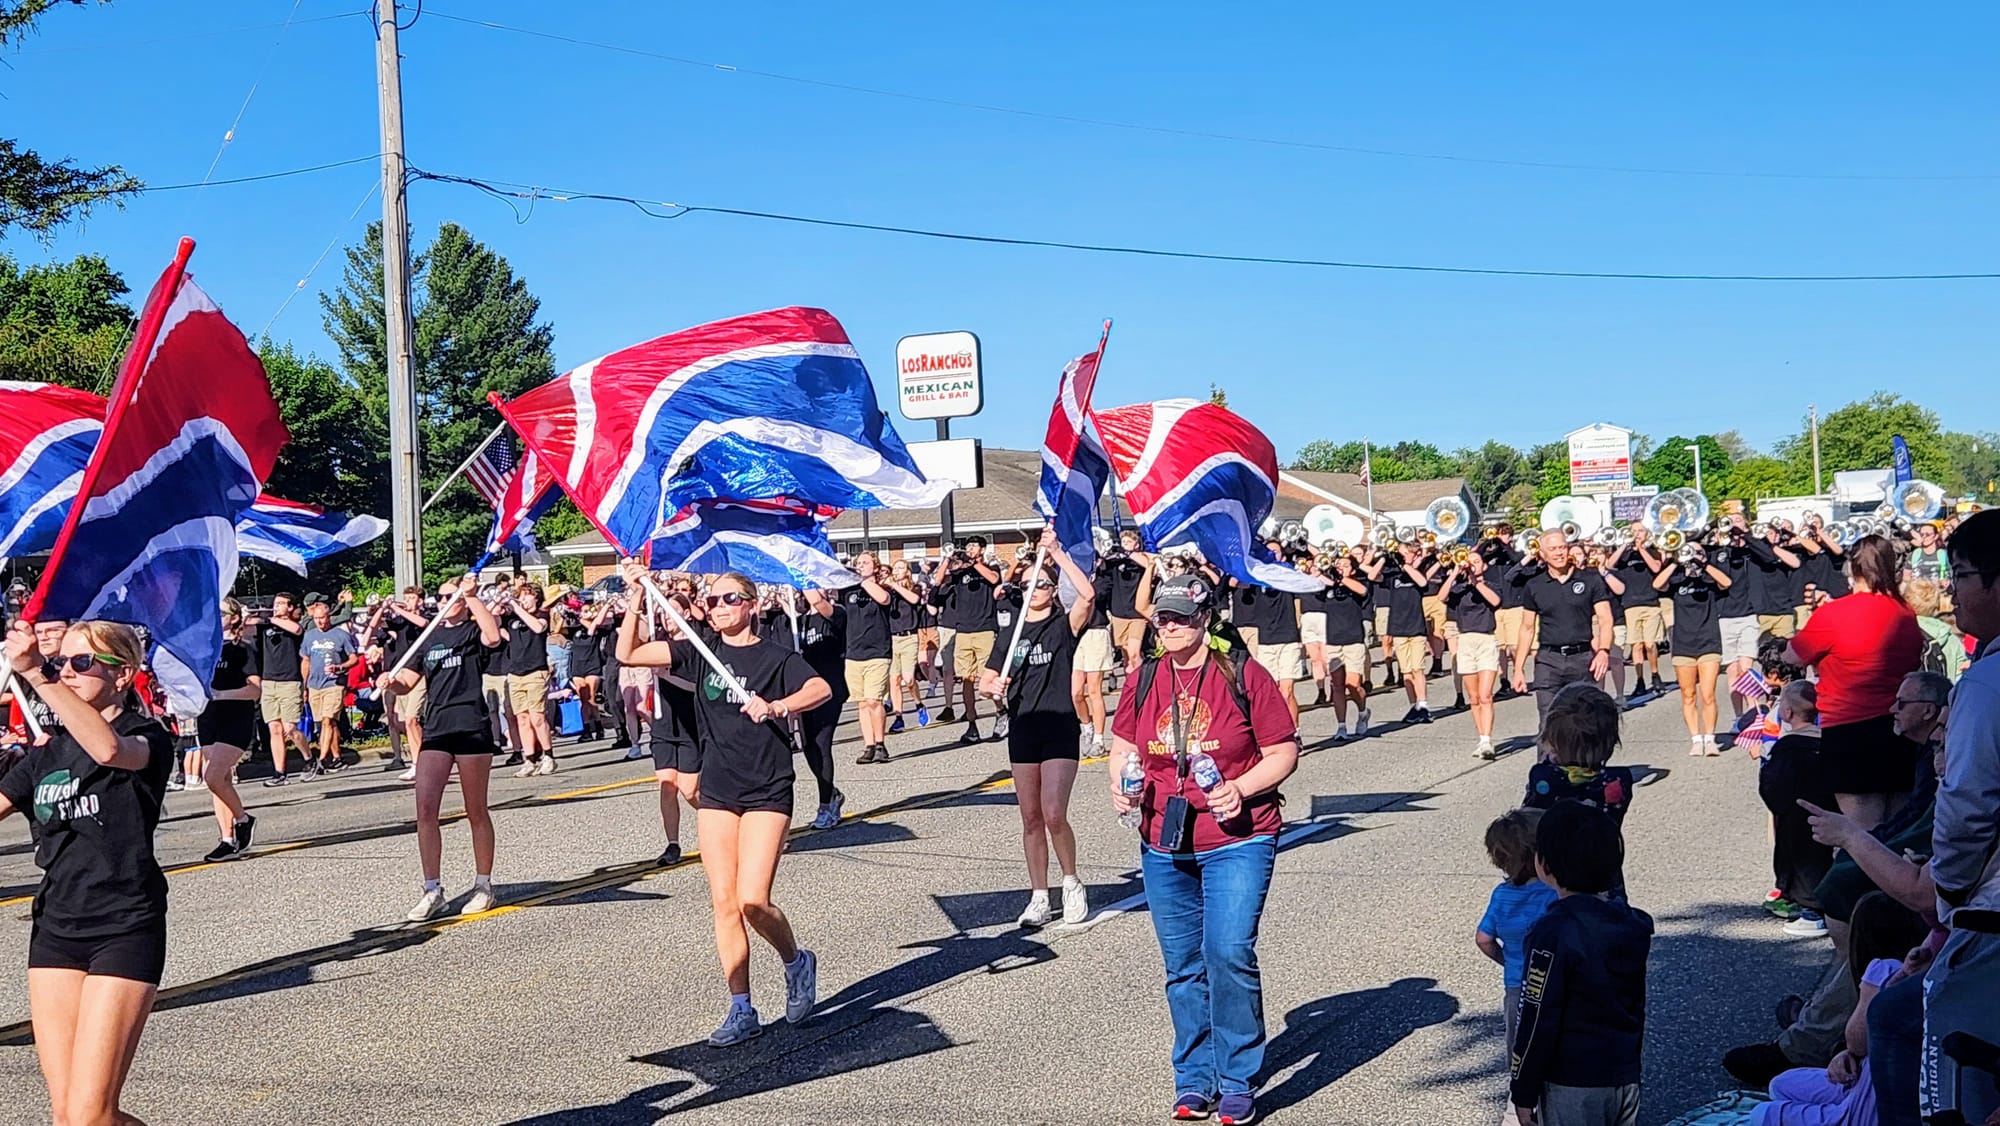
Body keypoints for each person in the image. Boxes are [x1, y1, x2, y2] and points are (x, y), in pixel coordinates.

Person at [1107, 572, 1300, 1126]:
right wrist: (1121, 786)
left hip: (1238, 836)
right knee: (1182, 966)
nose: (1167, 626)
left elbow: (1283, 750)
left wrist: (1241, 788)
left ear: (1205, 619)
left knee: (1228, 952)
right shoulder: (1143, 678)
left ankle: (1237, 1078)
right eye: (1161, 617)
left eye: (1179, 617)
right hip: (1163, 839)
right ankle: (1195, 1080)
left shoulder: (1241, 674)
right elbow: (1124, 744)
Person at [616, 561, 830, 1048]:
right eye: (712, 600)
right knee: (724, 900)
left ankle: (796, 962)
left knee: (754, 899)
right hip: (718, 788)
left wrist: (778, 706)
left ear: (751, 606)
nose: (718, 606)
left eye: (730, 598)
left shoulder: (776, 657)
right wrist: (635, 595)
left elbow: (820, 688)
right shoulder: (699, 652)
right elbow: (627, 652)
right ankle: (741, 1006)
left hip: (767, 788)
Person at [0, 618, 177, 1126]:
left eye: (82, 663)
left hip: (123, 925)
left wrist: (37, 672)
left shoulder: (146, 736)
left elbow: (108, 750)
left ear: (123, 676)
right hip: (56, 927)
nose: (69, 673)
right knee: (68, 1118)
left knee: (91, 1116)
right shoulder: (46, 753)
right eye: (63, 663)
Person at [979, 530, 1097, 928]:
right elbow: (987, 678)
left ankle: (1071, 882)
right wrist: (991, 686)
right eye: (1029, 584)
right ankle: (1039, 895)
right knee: (1030, 816)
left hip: (1059, 724)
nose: (1036, 588)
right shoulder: (1010, 636)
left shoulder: (1063, 627)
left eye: (1042, 583)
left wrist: (1057, 554)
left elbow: (1088, 596)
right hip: (1023, 726)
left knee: (1052, 811)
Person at [1509, 800, 1653, 1126]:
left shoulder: (1552, 933)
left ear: (1543, 865)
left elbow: (1537, 1015)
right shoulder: (1632, 924)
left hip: (1571, 1080)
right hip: (1624, 1073)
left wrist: (1523, 1089)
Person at [1928, 507, 2000, 1124]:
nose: (1953, 592)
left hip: (1992, 912)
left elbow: (1967, 806)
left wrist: (1947, 887)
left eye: (1962, 576)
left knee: (1957, 1067)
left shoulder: (1986, 683)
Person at [383, 575, 507, 922]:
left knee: (475, 809)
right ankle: (432, 888)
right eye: (441, 596)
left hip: (470, 725)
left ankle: (483, 884)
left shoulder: (471, 630)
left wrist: (473, 598)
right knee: (425, 808)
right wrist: (392, 681)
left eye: (450, 596)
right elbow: (409, 682)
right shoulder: (429, 636)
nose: (444, 601)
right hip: (436, 727)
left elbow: (494, 637)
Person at [1750, 891, 1931, 1126]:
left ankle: (1834, 1111)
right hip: (1875, 1085)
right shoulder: (1928, 969)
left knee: (1762, 1113)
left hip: (1866, 1111)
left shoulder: (1884, 970)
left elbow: (1857, 1040)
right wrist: (1845, 1056)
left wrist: (1868, 991)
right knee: (1781, 1083)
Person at [1785, 535, 1925, 831]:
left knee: (1859, 832)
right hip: (1898, 726)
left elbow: (1793, 656)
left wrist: (1817, 617)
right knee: (1898, 828)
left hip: (1849, 728)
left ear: (1852, 568)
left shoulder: (1834, 613)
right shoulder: (1905, 612)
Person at [616, 591, 702, 867]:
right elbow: (629, 646)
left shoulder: (695, 646)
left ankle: (723, 818)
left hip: (690, 724)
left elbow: (700, 688)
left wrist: (669, 677)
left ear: (687, 614)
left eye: (673, 610)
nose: (667, 616)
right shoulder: (658, 644)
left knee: (690, 790)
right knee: (667, 786)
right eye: (664, 611)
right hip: (665, 726)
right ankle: (672, 844)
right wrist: (636, 599)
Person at [1512, 530, 1615, 734]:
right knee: (1548, 722)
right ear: (1542, 554)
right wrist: (1518, 669)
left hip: (1582, 659)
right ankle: (1548, 766)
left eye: (1562, 547)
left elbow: (1605, 619)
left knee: (1584, 722)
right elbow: (1527, 628)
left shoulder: (1590, 580)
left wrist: (1603, 651)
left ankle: (1585, 765)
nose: (1559, 553)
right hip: (1548, 661)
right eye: (1553, 549)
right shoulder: (1534, 585)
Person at [1478, 808, 1558, 1052]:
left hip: (1517, 984)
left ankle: (1519, 1085)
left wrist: (1510, 961)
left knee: (1519, 1046)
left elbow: (1484, 939)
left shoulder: (1501, 895)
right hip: (1555, 981)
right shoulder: (1554, 892)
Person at [1759, 682, 1838, 922]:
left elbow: (1771, 786)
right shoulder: (1827, 743)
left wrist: (1775, 802)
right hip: (1826, 810)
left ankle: (1807, 905)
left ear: (1787, 712)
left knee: (1798, 858)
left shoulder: (1787, 747)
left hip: (1793, 816)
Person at [1654, 541, 1734, 756]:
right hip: (1683, 644)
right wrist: (1674, 561)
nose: (1692, 554)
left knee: (1708, 694)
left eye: (1697, 551)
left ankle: (1710, 738)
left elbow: (1726, 582)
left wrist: (1704, 562)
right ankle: (1696, 739)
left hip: (1708, 641)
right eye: (1689, 550)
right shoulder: (1677, 579)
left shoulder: (1709, 579)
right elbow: (1657, 585)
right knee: (1688, 694)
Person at [199, 599, 263, 861]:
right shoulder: (205, 649)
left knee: (213, 776)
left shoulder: (243, 650)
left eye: (222, 612)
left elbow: (255, 690)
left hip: (234, 717)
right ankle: (227, 839)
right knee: (219, 781)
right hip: (208, 717)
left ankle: (243, 819)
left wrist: (223, 694)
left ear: (235, 618)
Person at [1524, 685, 1635, 828]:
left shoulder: (1543, 776)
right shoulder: (1618, 780)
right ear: (1610, 739)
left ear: (1551, 737)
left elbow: (1527, 822)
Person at [932, 538, 1002, 742]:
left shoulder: (990, 566)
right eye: (968, 546)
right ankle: (972, 723)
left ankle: (1001, 711)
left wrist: (975, 563)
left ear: (982, 549)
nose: (969, 549)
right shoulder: (959, 572)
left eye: (973, 546)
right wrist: (947, 559)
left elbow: (993, 579)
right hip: (962, 630)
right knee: (966, 679)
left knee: (987, 678)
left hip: (985, 629)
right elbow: (938, 581)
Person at [1366, 541, 1439, 725]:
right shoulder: (1394, 575)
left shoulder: (1417, 573)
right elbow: (1373, 575)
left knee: (1417, 668)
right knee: (1406, 671)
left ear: (1414, 555)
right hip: (1398, 627)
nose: (1402, 555)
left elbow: (1422, 582)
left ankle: (1423, 705)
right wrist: (1384, 558)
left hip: (1416, 627)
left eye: (1405, 553)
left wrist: (1406, 564)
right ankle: (1413, 705)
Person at [1442, 549, 1504, 758]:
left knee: (1486, 695)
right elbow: (1442, 596)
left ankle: (1487, 740)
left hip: (1486, 639)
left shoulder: (1491, 585)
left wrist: (1476, 581)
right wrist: (1455, 572)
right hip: (1465, 641)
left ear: (1484, 565)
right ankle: (1480, 738)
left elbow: (1495, 602)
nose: (1473, 564)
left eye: (1477, 561)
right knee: (1474, 697)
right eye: (1470, 561)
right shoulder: (1459, 589)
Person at [797, 587, 850, 829]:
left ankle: (826, 804)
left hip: (830, 689)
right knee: (808, 746)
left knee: (821, 744)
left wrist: (801, 576)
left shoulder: (836, 614)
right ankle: (832, 791)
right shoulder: (797, 620)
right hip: (805, 692)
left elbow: (819, 603)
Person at [840, 553, 895, 764]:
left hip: (878, 652)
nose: (860, 566)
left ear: (875, 566)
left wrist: (864, 579)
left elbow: (884, 599)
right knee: (862, 703)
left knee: (874, 700)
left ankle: (881, 744)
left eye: (865, 563)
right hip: (854, 652)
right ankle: (869, 745)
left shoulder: (882, 588)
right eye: (858, 563)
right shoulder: (849, 590)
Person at [499, 582, 557, 777]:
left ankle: (548, 755)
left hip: (536, 671)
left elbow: (538, 629)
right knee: (522, 718)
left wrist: (516, 606)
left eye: (527, 595)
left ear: (536, 597)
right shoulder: (512, 617)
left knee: (537, 717)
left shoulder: (542, 614)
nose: (523, 599)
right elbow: (492, 620)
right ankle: (529, 758)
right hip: (515, 672)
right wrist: (498, 601)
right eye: (520, 595)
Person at [252, 592, 310, 785]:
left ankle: (309, 758)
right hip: (269, 681)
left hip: (289, 681)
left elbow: (296, 630)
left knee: (290, 728)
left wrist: (271, 618)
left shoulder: (293, 625)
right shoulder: (265, 626)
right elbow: (247, 626)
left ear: (290, 607)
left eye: (281, 604)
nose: (276, 607)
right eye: (275, 604)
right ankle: (279, 772)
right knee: (274, 728)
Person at [300, 594, 358, 776]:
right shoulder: (309, 636)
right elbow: (305, 661)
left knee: (328, 720)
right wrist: (305, 686)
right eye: (316, 619)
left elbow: (354, 658)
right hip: (315, 685)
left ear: (329, 617)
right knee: (324, 723)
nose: (320, 622)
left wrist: (340, 667)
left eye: (322, 618)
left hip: (334, 684)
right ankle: (336, 757)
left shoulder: (341, 635)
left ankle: (322, 759)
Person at [1607, 529, 1666, 695]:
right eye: (1633, 531)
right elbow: (1609, 565)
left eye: (1640, 531)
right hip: (1630, 604)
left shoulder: (1652, 551)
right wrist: (1625, 544)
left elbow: (1656, 568)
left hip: (1650, 603)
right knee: (1636, 645)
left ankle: (1655, 674)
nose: (1636, 534)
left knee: (1650, 643)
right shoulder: (1624, 555)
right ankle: (1640, 680)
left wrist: (1641, 548)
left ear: (1647, 533)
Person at [883, 560, 930, 735]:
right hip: (892, 638)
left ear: (908, 572)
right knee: (894, 680)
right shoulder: (888, 591)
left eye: (901, 568)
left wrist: (895, 585)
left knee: (909, 678)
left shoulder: (914, 587)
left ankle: (919, 703)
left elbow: (914, 599)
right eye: (894, 568)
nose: (897, 571)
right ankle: (898, 716)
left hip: (909, 637)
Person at [1903, 577, 1967, 683]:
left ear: (1906, 602)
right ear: (1936, 605)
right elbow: (1959, 678)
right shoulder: (1952, 640)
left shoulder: (1900, 634)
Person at [1106, 530, 1150, 674]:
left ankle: (1140, 684)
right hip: (1119, 612)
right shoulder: (1115, 560)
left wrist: (1130, 554)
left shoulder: (1141, 559)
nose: (1125, 545)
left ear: (1136, 544)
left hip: (1137, 612)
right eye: (1123, 542)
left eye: (1129, 542)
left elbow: (1149, 564)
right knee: (1126, 656)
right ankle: (1130, 685)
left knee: (1134, 654)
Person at [567, 600, 612, 741]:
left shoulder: (596, 627)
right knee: (583, 698)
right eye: (583, 610)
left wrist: (586, 616)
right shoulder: (575, 628)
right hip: (577, 666)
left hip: (592, 664)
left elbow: (593, 625)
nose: (584, 613)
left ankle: (598, 726)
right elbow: (557, 629)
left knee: (591, 696)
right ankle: (586, 729)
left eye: (587, 611)